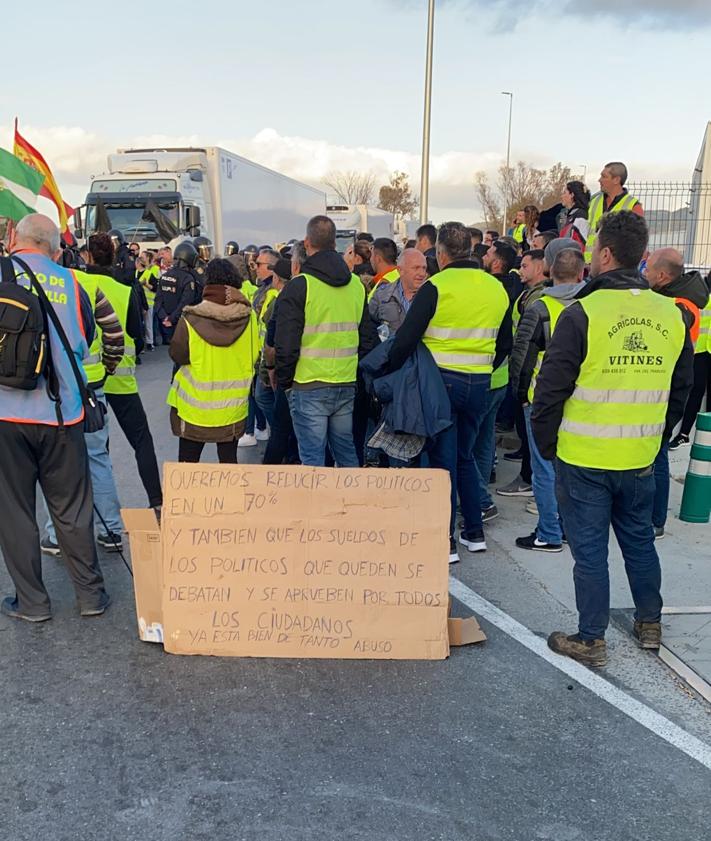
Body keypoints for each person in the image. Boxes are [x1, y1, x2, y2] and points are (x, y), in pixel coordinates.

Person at [533, 211, 694, 666]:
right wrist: (658, 437)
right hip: (640, 454)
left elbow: (551, 390)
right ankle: (649, 623)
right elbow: (680, 388)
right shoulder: (671, 314)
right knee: (639, 542)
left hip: (584, 455)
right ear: (641, 257)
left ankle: (591, 638)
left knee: (589, 552)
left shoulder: (582, 313)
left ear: (604, 254)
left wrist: (548, 447)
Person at [0, 214, 110, 621]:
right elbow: (83, 343)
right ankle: (90, 597)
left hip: (6, 417)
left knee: (14, 512)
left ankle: (32, 603)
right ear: (53, 247)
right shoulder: (71, 282)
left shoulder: (2, 275)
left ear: (15, 240)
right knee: (72, 509)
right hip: (62, 413)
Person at [388, 221, 510, 561]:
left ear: (441, 254)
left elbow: (407, 337)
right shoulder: (495, 288)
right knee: (466, 456)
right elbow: (506, 343)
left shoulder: (436, 287)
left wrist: (392, 368)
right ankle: (474, 533)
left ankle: (446, 542)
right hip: (480, 384)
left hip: (440, 384)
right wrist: (481, 364)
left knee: (442, 463)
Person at [41, 232, 127, 556]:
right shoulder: (86, 285)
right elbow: (114, 333)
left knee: (58, 466)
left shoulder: (29, 285)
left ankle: (56, 534)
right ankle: (111, 531)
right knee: (97, 459)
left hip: (51, 393)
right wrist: (107, 367)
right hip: (91, 389)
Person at [275, 215, 378, 467]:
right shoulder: (355, 285)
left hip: (308, 383)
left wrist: (285, 382)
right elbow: (368, 340)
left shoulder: (300, 286)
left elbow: (286, 345)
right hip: (344, 382)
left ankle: (315, 507)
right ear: (335, 243)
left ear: (307, 243)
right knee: (345, 453)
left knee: (312, 460)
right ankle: (351, 504)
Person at [510, 248, 585, 552]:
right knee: (568, 469)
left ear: (550, 271)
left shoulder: (540, 309)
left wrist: (520, 397)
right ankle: (566, 528)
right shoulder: (589, 307)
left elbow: (522, 360)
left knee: (544, 470)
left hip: (541, 400)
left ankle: (549, 533)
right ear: (582, 273)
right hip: (579, 401)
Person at [88, 234, 164, 514]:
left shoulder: (76, 284)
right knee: (141, 440)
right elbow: (136, 335)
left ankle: (101, 513)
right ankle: (157, 501)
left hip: (86, 381)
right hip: (120, 380)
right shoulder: (123, 290)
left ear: (87, 256)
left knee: (97, 450)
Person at [167, 258, 260, 463]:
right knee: (228, 466)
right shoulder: (249, 317)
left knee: (187, 466)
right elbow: (255, 355)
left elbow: (178, 355)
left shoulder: (190, 318)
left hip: (194, 408)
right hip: (232, 408)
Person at [645, 248, 709, 535]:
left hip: (666, 386)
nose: (643, 274)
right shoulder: (678, 299)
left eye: (647, 269)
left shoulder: (679, 306)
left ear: (661, 275)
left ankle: (655, 520)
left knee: (657, 454)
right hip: (665, 383)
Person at [263, 242, 306, 465]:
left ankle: (265, 483)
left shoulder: (288, 294)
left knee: (280, 431)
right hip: (333, 377)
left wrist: (275, 372)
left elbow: (275, 341)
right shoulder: (346, 286)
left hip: (294, 376)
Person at [669, 264, 711, 449]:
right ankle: (684, 433)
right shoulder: (701, 294)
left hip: (704, 351)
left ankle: (706, 435)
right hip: (700, 351)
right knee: (695, 392)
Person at [584, 162, 643, 264]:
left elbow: (637, 241)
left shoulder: (633, 206)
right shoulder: (593, 201)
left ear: (616, 180)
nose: (599, 180)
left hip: (615, 267)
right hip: (589, 264)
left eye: (604, 176)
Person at [369, 248, 428, 337]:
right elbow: (369, 329)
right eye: (416, 268)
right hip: (389, 350)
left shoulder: (432, 295)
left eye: (424, 268)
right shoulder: (381, 296)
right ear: (400, 270)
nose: (422, 273)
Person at [154, 240, 198, 343]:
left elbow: (158, 301)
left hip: (166, 324)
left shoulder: (164, 276)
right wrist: (172, 319)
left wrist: (165, 318)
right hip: (182, 323)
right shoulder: (188, 278)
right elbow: (185, 302)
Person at [137, 250, 160, 350]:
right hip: (139, 301)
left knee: (149, 324)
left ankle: (150, 342)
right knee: (139, 323)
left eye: (143, 256)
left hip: (149, 301)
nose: (141, 258)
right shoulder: (136, 271)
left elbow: (156, 287)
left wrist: (146, 284)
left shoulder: (153, 270)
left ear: (148, 258)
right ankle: (142, 343)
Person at [559, 181, 591, 251]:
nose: (562, 196)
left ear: (572, 195)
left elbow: (582, 243)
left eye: (564, 193)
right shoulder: (570, 215)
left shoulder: (580, 216)